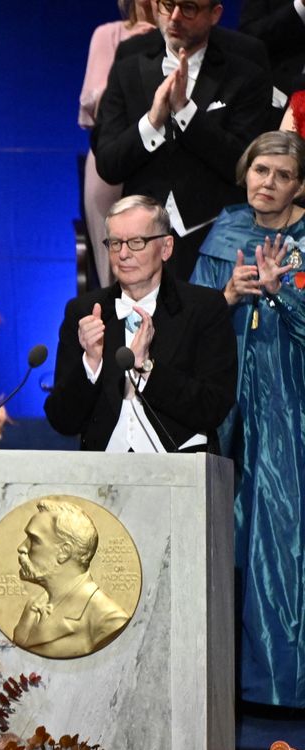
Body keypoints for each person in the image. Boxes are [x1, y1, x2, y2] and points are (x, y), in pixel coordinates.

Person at [189, 130, 305, 709]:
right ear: (245, 173)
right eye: (261, 170)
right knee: (227, 524)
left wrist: (283, 296)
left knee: (283, 527)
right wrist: (228, 297)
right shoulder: (226, 231)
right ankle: (224, 676)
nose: (268, 183)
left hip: (292, 399)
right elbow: (190, 320)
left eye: (282, 176)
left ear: (299, 185)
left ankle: (282, 679)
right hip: (229, 394)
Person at [93, 0, 272, 280]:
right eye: (167, 4)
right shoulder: (129, 62)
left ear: (215, 14)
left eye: (188, 7)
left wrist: (186, 112)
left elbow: (244, 165)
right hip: (141, 243)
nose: (174, 17)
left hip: (218, 240)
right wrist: (152, 122)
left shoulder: (245, 68)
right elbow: (108, 163)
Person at [44, 195, 237, 452]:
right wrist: (90, 364)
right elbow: (62, 421)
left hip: (180, 471)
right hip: (104, 474)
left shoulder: (204, 308)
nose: (123, 254)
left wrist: (147, 369)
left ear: (166, 248)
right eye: (115, 243)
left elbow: (213, 408)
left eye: (137, 242)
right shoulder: (83, 311)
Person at [80, 0, 158, 287]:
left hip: (160, 156)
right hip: (112, 155)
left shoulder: (183, 38)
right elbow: (94, 105)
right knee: (114, 262)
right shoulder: (108, 34)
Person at [12, 499, 130, 659]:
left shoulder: (108, 621)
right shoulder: (33, 608)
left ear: (64, 552)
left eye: (33, 540)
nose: (22, 547)